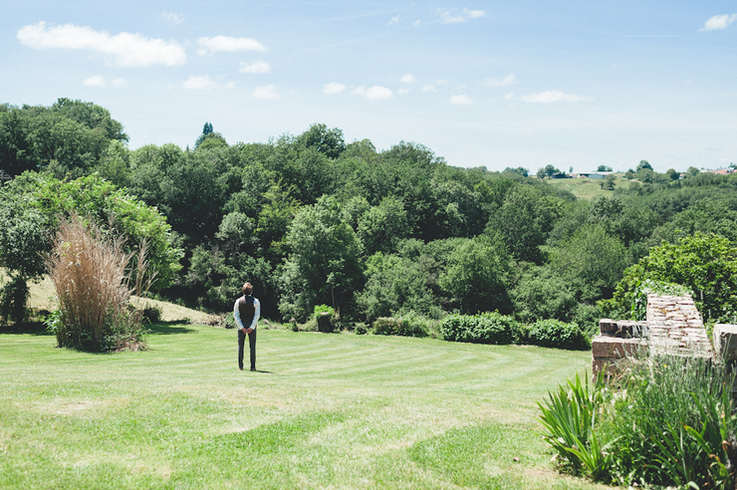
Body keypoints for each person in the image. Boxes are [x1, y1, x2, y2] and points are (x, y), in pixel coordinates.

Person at [234, 282, 260, 371]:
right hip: (251, 326)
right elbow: (257, 316)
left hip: (241, 325)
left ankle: (240, 366)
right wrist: (252, 327)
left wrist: (241, 327)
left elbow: (236, 315)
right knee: (252, 346)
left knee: (240, 346)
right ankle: (252, 367)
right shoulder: (256, 301)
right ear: (251, 291)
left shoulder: (238, 301)